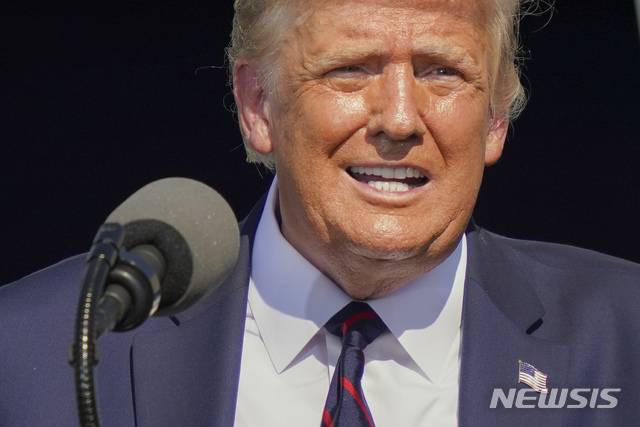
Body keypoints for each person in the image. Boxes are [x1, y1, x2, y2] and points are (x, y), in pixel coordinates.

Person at [1, 0, 639, 426]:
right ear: (258, 105)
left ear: (496, 116)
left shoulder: (624, 340)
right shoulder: (37, 349)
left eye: (443, 72)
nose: (399, 119)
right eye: (350, 70)